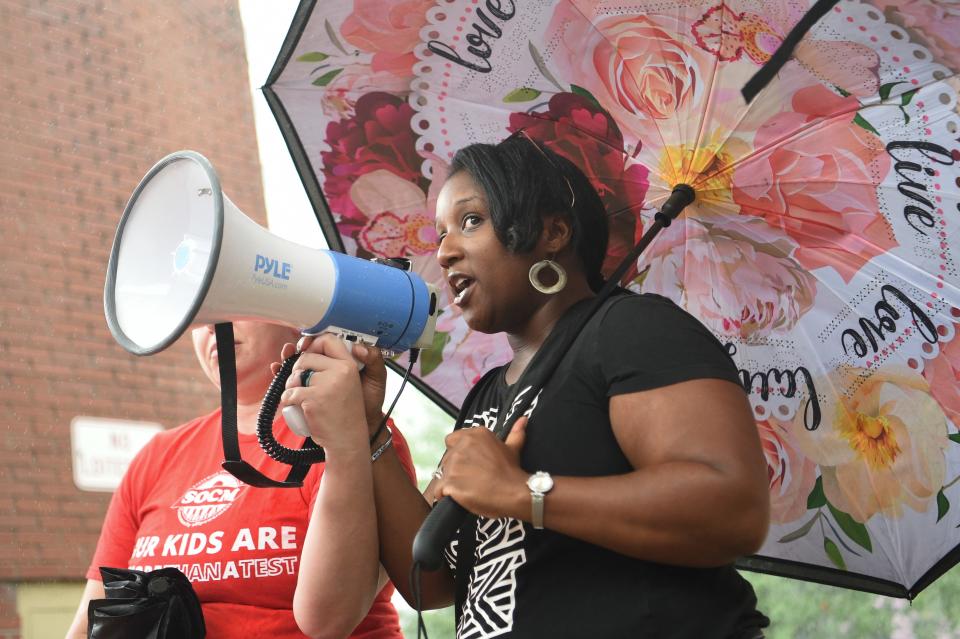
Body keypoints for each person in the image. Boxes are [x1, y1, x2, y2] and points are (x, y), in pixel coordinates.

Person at [285, 133, 772, 638]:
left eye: (471, 221)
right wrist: (367, 432)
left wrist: (524, 493)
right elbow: (435, 578)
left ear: (554, 232)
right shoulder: (488, 395)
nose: (446, 252)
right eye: (440, 234)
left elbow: (732, 508)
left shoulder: (630, 329)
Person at [66, 320, 415, 639]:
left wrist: (344, 439)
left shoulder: (360, 435)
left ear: (300, 323)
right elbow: (92, 620)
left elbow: (330, 618)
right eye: (200, 315)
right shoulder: (157, 455)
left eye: (239, 303)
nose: (215, 326)